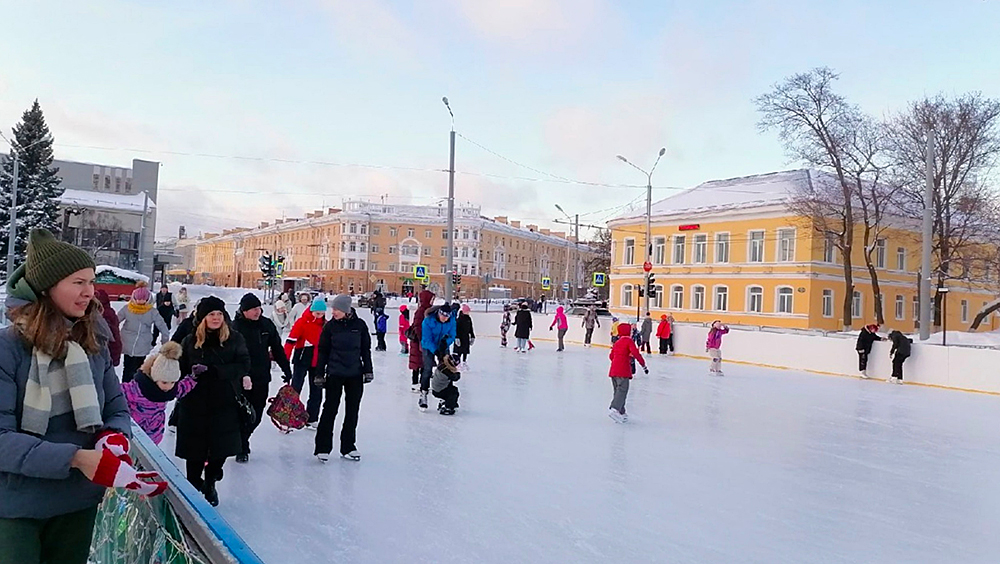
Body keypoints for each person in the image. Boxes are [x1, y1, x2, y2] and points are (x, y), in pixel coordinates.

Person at [0, 229, 162, 564]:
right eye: (78, 282)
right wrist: (77, 458)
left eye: (91, 281)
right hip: (14, 507)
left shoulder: (92, 342)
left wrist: (113, 437)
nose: (89, 292)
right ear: (47, 287)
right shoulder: (8, 349)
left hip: (78, 502)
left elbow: (116, 407)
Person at [176, 296, 250, 507]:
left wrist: (216, 371)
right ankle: (192, 485)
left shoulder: (234, 338)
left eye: (219, 314)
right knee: (194, 449)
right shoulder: (190, 340)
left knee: (220, 448)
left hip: (224, 400)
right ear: (202, 318)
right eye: (211, 314)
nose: (216, 318)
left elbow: (244, 363)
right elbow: (179, 367)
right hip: (194, 402)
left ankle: (210, 481)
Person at [232, 293, 293, 462]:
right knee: (242, 413)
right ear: (244, 311)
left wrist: (286, 368)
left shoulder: (266, 325)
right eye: (253, 309)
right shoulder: (234, 327)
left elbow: (277, 348)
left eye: (259, 308)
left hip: (261, 376)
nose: (257, 311)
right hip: (241, 377)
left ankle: (243, 439)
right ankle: (242, 446)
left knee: (256, 414)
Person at [314, 295, 373, 461]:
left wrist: (368, 370)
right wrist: (319, 373)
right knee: (330, 409)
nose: (334, 312)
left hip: (355, 374)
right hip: (335, 373)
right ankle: (322, 447)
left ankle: (348, 446)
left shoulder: (360, 326)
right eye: (333, 309)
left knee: (352, 411)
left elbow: (365, 350)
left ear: (347, 310)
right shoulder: (330, 327)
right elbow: (323, 351)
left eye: (337, 309)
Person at [122, 341, 201, 445]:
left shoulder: (170, 391)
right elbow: (115, 394)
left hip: (154, 435)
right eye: (164, 382)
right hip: (132, 433)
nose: (168, 386)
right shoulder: (137, 388)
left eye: (172, 382)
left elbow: (182, 388)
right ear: (155, 377)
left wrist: (193, 377)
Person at [285, 297, 327, 426]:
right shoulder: (302, 322)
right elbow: (290, 341)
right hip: (302, 358)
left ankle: (312, 417)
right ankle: (288, 415)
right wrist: (284, 360)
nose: (320, 316)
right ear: (312, 310)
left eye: (322, 313)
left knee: (316, 389)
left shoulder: (325, 324)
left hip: (317, 360)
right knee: (296, 388)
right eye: (317, 313)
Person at [119, 283, 170, 382]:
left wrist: (165, 340)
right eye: (138, 299)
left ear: (147, 299)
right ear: (134, 298)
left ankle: (136, 389)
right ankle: (125, 388)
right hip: (127, 342)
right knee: (128, 368)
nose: (140, 301)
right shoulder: (127, 309)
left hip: (143, 343)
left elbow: (162, 325)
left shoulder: (151, 311)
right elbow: (115, 321)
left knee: (139, 368)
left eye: (143, 299)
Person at [420, 303, 456, 411]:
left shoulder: (451, 321)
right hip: (428, 346)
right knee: (427, 369)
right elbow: (426, 339)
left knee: (447, 369)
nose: (445, 319)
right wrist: (435, 350)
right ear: (439, 313)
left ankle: (445, 396)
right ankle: (423, 394)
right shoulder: (428, 321)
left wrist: (445, 342)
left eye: (447, 316)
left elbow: (452, 335)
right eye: (443, 316)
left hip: (443, 346)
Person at [608, 323, 647, 423]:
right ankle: (615, 409)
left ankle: (621, 412)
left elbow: (611, 356)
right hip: (623, 370)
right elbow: (636, 353)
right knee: (622, 390)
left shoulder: (617, 342)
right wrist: (643, 365)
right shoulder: (628, 341)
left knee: (618, 391)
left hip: (613, 371)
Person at [408, 290, 434, 393]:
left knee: (424, 363)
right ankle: (415, 383)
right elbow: (417, 326)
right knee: (417, 363)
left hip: (424, 341)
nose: (433, 301)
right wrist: (421, 339)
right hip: (418, 341)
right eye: (431, 299)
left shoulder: (428, 310)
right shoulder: (421, 311)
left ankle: (422, 383)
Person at [95, 289, 122, 367]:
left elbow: (113, 334)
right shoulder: (110, 313)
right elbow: (115, 335)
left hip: (100, 352)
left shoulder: (103, 315)